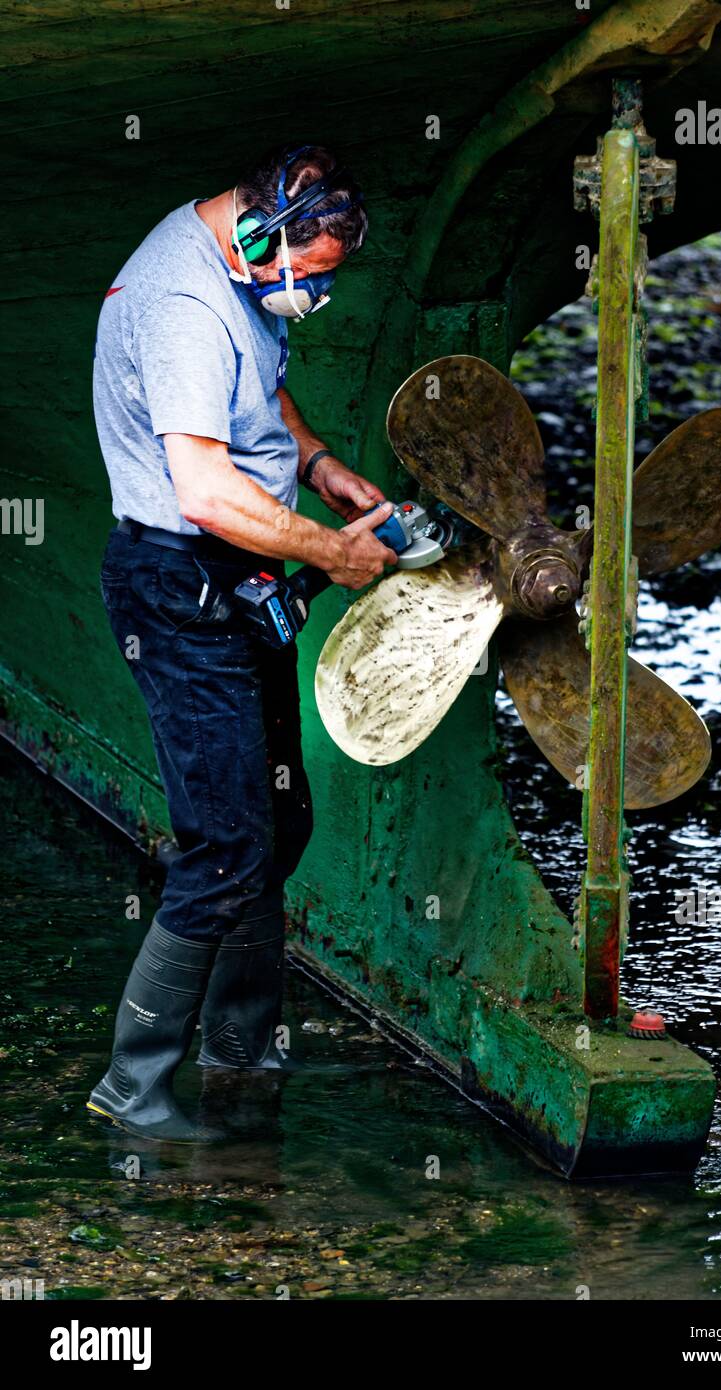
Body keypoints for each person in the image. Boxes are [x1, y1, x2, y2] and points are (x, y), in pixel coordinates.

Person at [87, 143, 396, 1140]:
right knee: (226, 846)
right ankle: (132, 1088)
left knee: (278, 824)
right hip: (181, 585)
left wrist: (319, 464)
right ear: (266, 233)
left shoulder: (242, 269)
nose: (318, 297)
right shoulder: (181, 308)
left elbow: (256, 390)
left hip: (240, 576)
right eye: (314, 276)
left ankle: (241, 1050)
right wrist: (334, 554)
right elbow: (206, 490)